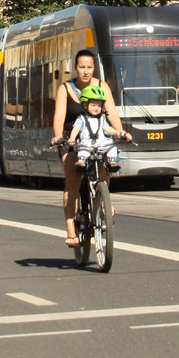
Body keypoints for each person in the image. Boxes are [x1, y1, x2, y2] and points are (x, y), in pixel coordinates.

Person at [52, 49, 124, 247]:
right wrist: (59, 137)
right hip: (71, 140)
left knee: (106, 165)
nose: (85, 71)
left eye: (89, 67)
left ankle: (102, 198)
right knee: (73, 181)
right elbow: (59, 116)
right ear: (75, 68)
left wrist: (120, 132)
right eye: (81, 67)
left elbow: (111, 112)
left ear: (94, 68)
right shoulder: (66, 88)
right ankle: (71, 231)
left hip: (96, 138)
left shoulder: (102, 86)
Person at [67, 85, 125, 171]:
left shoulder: (102, 118)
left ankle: (112, 162)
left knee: (111, 145)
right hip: (87, 143)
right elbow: (76, 128)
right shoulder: (81, 118)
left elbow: (107, 128)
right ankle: (81, 161)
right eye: (93, 105)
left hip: (100, 143)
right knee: (83, 150)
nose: (96, 108)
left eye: (99, 106)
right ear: (85, 105)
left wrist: (116, 132)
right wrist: (72, 138)